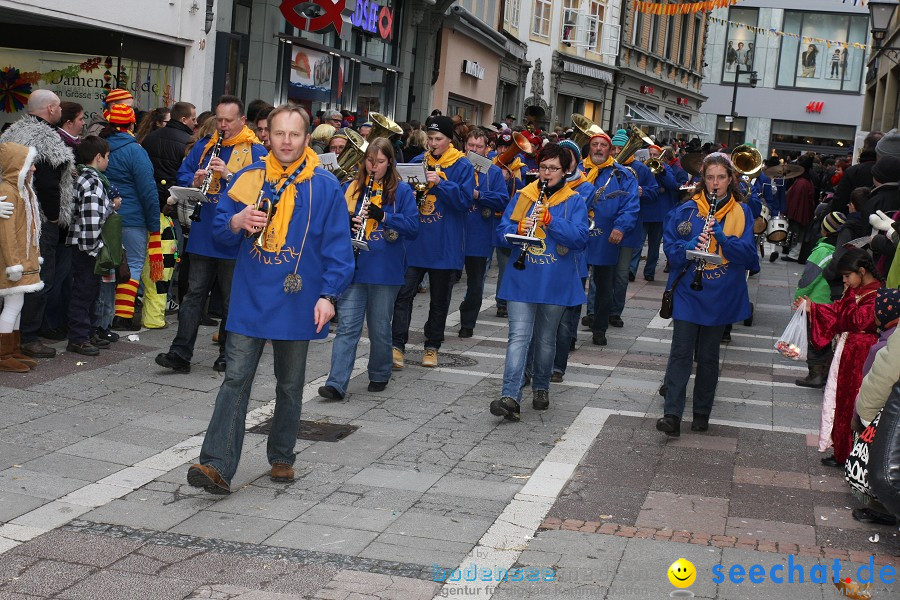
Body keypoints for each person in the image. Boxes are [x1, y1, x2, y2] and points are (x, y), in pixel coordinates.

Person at [186, 104, 354, 495]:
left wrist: (330, 295)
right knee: (235, 379)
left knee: (290, 385)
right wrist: (234, 222)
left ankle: (282, 455)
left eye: (295, 134)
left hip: (299, 298)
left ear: (306, 137)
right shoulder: (250, 177)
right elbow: (219, 229)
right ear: (268, 136)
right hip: (250, 297)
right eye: (279, 133)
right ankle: (216, 466)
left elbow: (338, 249)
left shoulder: (325, 186)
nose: (286, 141)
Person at [155, 95, 267, 374]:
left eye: (229, 120)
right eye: (219, 119)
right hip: (204, 232)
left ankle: (227, 354)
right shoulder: (205, 146)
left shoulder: (255, 151)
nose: (223, 125)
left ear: (242, 120)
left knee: (231, 298)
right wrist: (192, 180)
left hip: (234, 235)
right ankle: (180, 352)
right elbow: (182, 174)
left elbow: (261, 191)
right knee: (193, 295)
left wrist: (229, 175)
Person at [656, 153, 756, 437]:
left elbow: (750, 259)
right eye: (710, 177)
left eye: (721, 178)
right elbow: (672, 253)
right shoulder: (686, 210)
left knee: (709, 357)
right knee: (681, 353)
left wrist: (723, 239)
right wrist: (691, 244)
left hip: (721, 294)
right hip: (689, 289)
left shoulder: (742, 212)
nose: (715, 183)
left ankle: (701, 413)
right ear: (703, 179)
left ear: (730, 180)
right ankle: (672, 415)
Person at [490, 143, 589, 421]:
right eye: (543, 168)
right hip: (523, 277)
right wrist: (516, 227)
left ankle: (542, 386)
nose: (546, 174)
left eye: (553, 169)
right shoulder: (525, 195)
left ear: (566, 170)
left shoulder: (574, 200)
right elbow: (500, 233)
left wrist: (551, 221)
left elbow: (581, 238)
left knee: (546, 340)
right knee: (518, 338)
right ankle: (510, 395)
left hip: (555, 280)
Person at [318, 138, 419, 400]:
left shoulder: (402, 191)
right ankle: (336, 382)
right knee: (348, 327)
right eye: (370, 161)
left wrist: (383, 216)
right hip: (353, 267)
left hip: (385, 270)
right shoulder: (351, 188)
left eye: (381, 162)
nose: (374, 167)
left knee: (379, 327)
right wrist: (347, 222)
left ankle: (379, 371)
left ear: (390, 162)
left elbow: (413, 228)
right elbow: (332, 224)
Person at [391, 115, 474, 369]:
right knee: (403, 295)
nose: (433, 143)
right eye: (430, 138)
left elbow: (464, 202)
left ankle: (432, 346)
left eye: (438, 139)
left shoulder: (462, 166)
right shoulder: (418, 161)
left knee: (439, 299)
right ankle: (396, 345)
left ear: (449, 140)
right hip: (415, 242)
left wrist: (441, 183)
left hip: (444, 244)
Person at [0, 89, 74, 359]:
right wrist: (54, 216)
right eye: (58, 108)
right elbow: (47, 184)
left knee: (13, 281)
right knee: (36, 278)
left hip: (16, 213)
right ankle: (28, 337)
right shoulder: (46, 138)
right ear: (52, 109)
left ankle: (13, 338)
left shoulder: (10, 133)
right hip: (36, 219)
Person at [799, 248, 882, 467]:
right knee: (841, 398)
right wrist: (814, 308)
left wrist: (816, 309)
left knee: (853, 400)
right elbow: (841, 312)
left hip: (862, 351)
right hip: (850, 349)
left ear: (862, 271)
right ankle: (842, 450)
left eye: (847, 275)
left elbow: (856, 321)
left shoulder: (876, 294)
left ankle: (851, 453)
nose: (845, 280)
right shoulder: (858, 291)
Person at [98, 104, 161, 331]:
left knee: (106, 265)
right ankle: (123, 316)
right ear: (132, 124)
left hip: (104, 217)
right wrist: (154, 224)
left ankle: (104, 314)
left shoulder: (101, 147)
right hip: (133, 219)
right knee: (132, 265)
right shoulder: (135, 151)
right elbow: (148, 191)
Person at [581, 129, 639, 346]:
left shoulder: (622, 174)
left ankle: (600, 328)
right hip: (577, 236)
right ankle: (567, 331)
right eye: (594, 144)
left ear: (611, 149)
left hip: (606, 237)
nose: (598, 149)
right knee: (575, 283)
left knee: (604, 286)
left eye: (603, 145)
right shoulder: (577, 171)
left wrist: (621, 227)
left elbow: (631, 205)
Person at [66, 136, 120, 356]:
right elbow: (91, 218)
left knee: (90, 290)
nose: (108, 161)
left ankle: (88, 332)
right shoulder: (92, 181)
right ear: (98, 157)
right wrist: (95, 248)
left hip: (86, 245)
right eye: (107, 157)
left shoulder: (91, 179)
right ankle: (79, 337)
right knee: (84, 292)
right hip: (87, 246)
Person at [458, 130, 507, 338]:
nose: (474, 150)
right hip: (456, 232)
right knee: (445, 279)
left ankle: (467, 322)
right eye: (470, 145)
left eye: (479, 147)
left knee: (476, 283)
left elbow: (502, 199)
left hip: (479, 234)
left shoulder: (493, 172)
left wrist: (479, 195)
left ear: (487, 149)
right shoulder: (457, 166)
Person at [0, 143, 44, 372]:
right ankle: (4, 353)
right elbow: (7, 233)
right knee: (13, 304)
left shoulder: (23, 190)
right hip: (12, 261)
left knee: (17, 303)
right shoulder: (8, 191)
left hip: (21, 258)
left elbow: (29, 229)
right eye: (29, 164)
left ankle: (12, 349)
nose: (34, 169)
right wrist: (14, 263)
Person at [793, 211, 845, 388]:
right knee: (825, 339)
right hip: (831, 302)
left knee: (814, 340)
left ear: (825, 229)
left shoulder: (822, 250)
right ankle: (823, 375)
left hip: (815, 302)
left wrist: (798, 297)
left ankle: (814, 375)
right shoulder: (841, 249)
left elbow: (809, 278)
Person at [611, 129, 657, 318]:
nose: (615, 151)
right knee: (600, 275)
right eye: (613, 147)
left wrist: (642, 191)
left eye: (619, 148)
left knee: (622, 275)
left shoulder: (641, 169)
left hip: (629, 229)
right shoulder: (606, 168)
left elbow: (654, 192)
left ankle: (615, 313)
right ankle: (593, 312)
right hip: (606, 227)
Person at [631, 144, 677, 282]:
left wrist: (661, 171)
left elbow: (672, 184)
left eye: (655, 155)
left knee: (654, 245)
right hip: (644, 211)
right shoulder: (642, 168)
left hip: (659, 213)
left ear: (660, 156)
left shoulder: (666, 168)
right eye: (650, 154)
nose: (652, 157)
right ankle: (631, 270)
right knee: (638, 243)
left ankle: (649, 272)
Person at [830, 131, 883, 214]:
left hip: (852, 218)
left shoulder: (853, 171)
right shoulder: (890, 172)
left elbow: (839, 202)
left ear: (865, 146)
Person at [781, 156, 816, 262]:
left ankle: (794, 254)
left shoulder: (801, 182)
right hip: (801, 211)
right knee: (797, 232)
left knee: (797, 232)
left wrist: (788, 212)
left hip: (798, 212)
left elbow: (795, 200)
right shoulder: (805, 181)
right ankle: (794, 253)